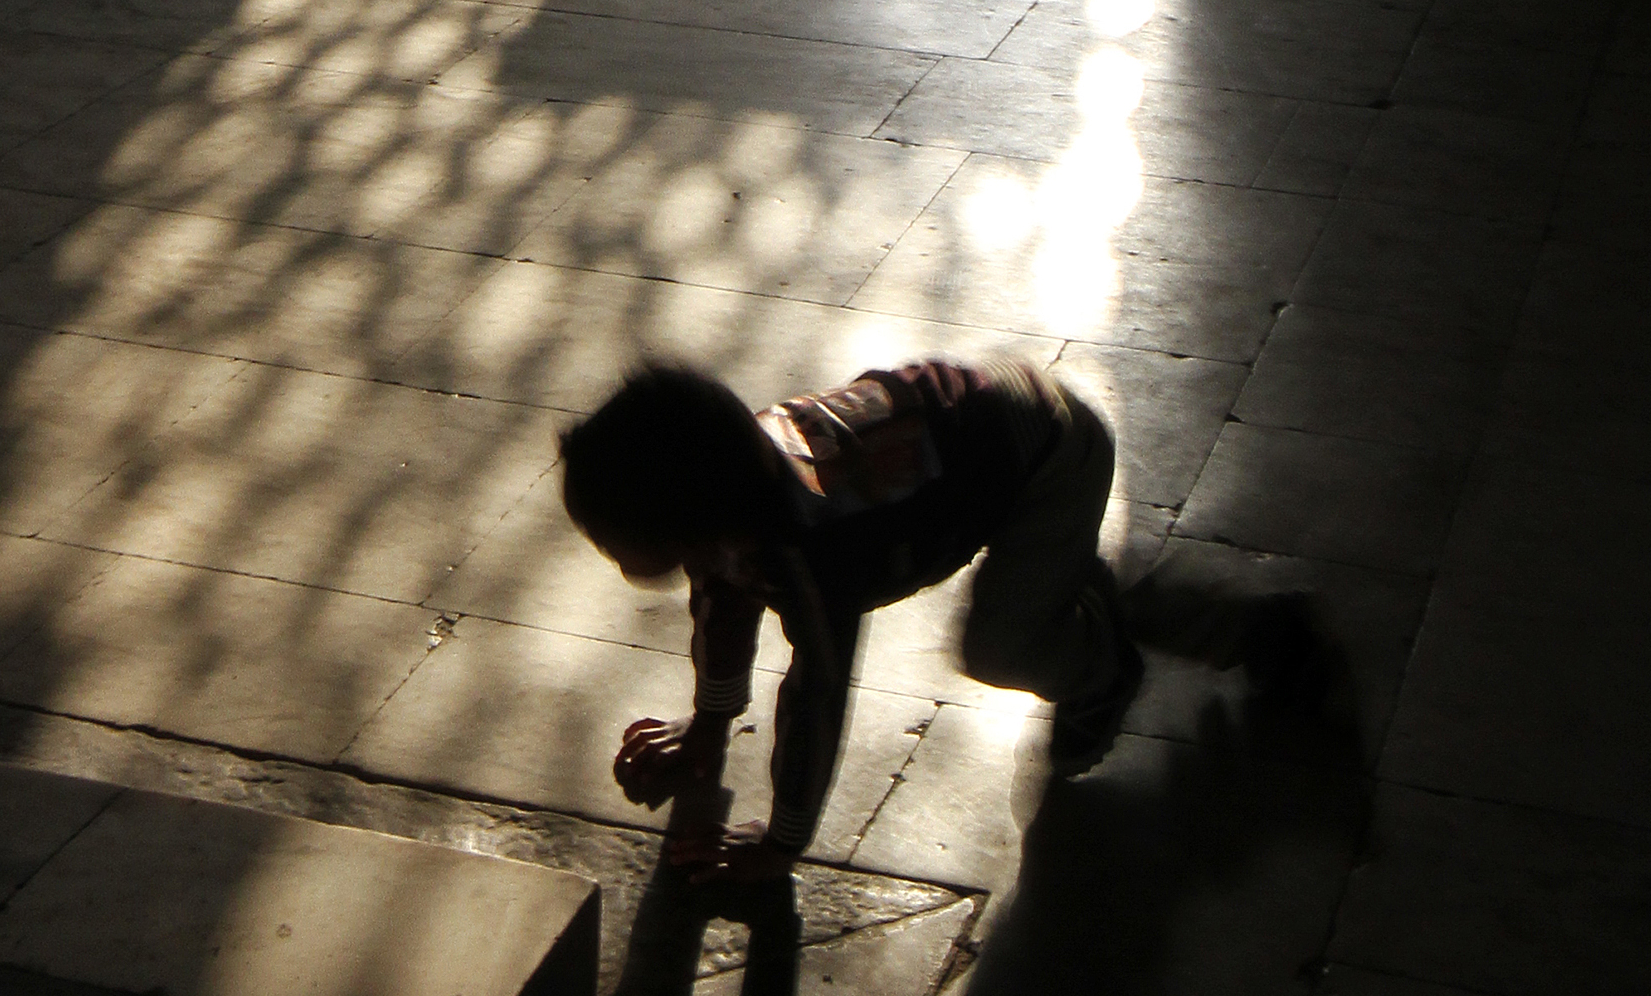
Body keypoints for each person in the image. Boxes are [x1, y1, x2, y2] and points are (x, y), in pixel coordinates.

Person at [558, 352, 1327, 879]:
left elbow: (818, 689)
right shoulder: (737, 477)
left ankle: (1105, 665)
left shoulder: (811, 548)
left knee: (1005, 647)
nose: (616, 558)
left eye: (621, 542)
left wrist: (783, 843)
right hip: (992, 435)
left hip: (1046, 460)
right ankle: (1132, 609)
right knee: (1046, 599)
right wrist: (710, 727)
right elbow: (721, 601)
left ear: (688, 518)